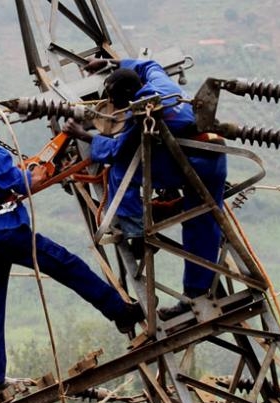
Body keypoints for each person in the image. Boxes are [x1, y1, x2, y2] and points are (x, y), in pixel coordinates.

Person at [0, 103, 144, 399]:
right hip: (8, 231)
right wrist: (37, 173)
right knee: (67, 265)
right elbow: (25, 183)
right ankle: (119, 312)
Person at [63, 58, 227, 320]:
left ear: (128, 95)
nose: (116, 108)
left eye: (117, 101)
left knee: (122, 170)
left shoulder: (142, 110)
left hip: (190, 166)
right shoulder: (160, 83)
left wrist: (83, 135)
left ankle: (135, 227)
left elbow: (117, 151)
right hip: (215, 159)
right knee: (202, 226)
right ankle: (196, 293)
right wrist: (112, 62)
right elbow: (149, 64)